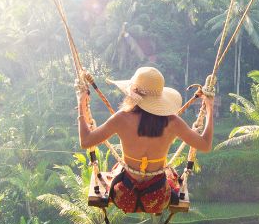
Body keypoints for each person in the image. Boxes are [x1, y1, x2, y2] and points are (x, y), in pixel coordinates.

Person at [78, 66, 214, 214]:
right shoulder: (172, 122)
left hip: (123, 196)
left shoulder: (122, 118)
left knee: (118, 169)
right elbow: (205, 145)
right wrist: (209, 108)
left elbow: (86, 141)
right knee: (170, 173)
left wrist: (81, 104)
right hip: (157, 199)